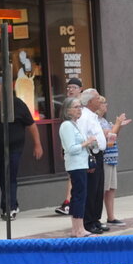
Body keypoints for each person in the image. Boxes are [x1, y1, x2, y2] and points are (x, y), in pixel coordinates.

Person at [0, 78, 42, 221]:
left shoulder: (18, 104)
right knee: (0, 174)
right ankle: (10, 203)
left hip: (14, 147)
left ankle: (9, 207)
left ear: (5, 89)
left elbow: (31, 125)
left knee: (10, 175)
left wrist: (37, 144)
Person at [77, 88, 112, 233]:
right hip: (90, 154)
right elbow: (83, 137)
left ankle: (96, 219)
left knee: (98, 189)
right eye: (97, 98)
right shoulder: (84, 117)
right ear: (90, 101)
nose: (100, 100)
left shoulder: (93, 116)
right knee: (91, 189)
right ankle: (88, 221)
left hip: (99, 154)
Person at [58, 98, 91, 238]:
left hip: (81, 164)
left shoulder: (74, 125)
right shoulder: (66, 126)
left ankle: (78, 228)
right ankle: (77, 229)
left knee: (80, 195)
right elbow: (71, 148)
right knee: (78, 196)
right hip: (75, 165)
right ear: (68, 110)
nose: (79, 110)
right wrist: (86, 143)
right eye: (76, 107)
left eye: (80, 107)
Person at [53, 78, 83, 215]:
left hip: (83, 152)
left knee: (78, 182)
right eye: (68, 87)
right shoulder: (67, 109)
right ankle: (68, 202)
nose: (70, 90)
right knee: (72, 176)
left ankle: (70, 203)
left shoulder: (83, 109)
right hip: (74, 150)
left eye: (74, 87)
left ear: (80, 89)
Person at [100, 105, 132, 226]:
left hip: (111, 157)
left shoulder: (104, 120)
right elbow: (108, 138)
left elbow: (113, 136)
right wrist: (117, 124)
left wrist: (119, 126)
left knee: (111, 188)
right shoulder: (95, 121)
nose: (106, 105)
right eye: (103, 103)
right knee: (102, 189)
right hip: (104, 158)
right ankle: (96, 218)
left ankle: (111, 216)